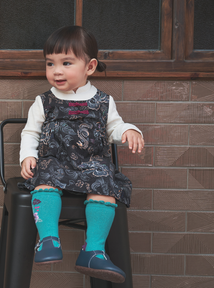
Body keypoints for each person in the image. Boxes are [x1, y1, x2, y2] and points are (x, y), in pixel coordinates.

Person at [19, 25, 144, 283]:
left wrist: (129, 131)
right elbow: (30, 133)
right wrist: (27, 156)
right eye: (50, 64)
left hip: (92, 165)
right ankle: (48, 240)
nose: (57, 71)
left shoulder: (103, 101)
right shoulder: (44, 102)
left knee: (106, 183)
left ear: (90, 67)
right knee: (45, 176)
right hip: (56, 162)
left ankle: (93, 251)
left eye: (66, 63)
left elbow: (115, 127)